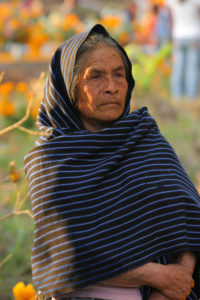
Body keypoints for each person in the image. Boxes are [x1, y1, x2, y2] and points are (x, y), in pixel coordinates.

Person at [24, 24, 200, 300]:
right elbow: (62, 260)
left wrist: (173, 286)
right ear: (68, 87)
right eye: (95, 76)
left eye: (119, 74)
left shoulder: (145, 139)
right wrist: (154, 275)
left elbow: (189, 222)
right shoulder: (50, 160)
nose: (111, 87)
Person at [166, 0, 200, 100]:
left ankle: (176, 97)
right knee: (192, 69)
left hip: (178, 37)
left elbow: (170, 20)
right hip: (194, 36)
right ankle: (191, 97)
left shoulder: (171, 2)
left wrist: (171, 37)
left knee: (177, 68)